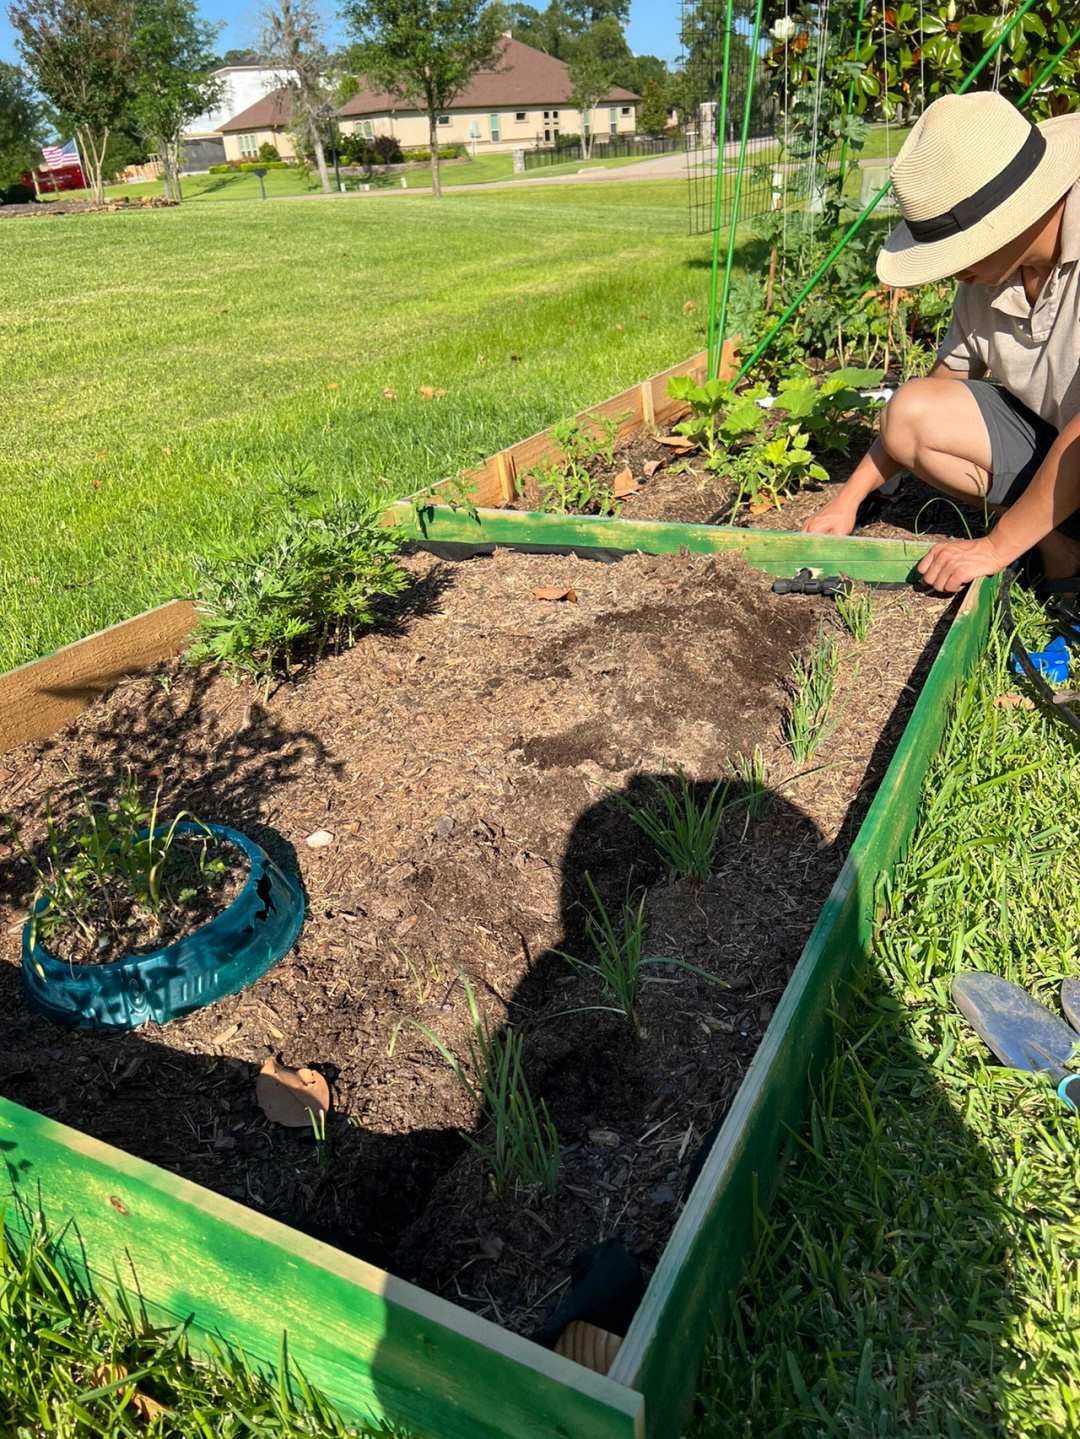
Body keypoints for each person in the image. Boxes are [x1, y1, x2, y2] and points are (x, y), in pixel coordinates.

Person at [801, 90, 1080, 594]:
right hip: (1056, 444)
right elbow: (928, 400)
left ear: (1011, 217)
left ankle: (1039, 540)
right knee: (910, 413)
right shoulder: (987, 279)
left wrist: (996, 546)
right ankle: (1054, 539)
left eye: (956, 250)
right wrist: (848, 499)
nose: (951, 270)